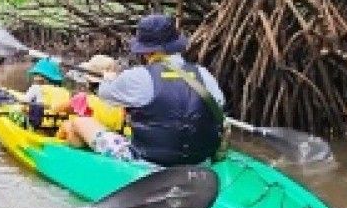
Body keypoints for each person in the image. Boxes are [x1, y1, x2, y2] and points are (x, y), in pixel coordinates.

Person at [60, 14, 225, 167]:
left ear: (147, 52)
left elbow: (105, 95)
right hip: (200, 160)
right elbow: (219, 105)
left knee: (80, 122)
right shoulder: (204, 75)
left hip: (147, 160)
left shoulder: (138, 76)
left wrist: (109, 78)